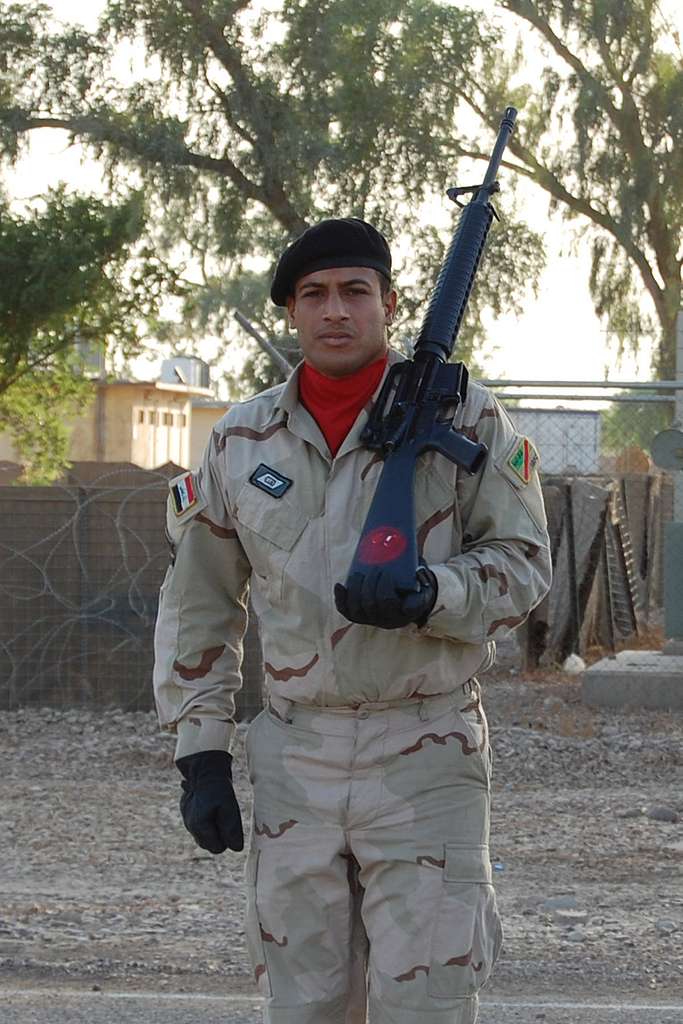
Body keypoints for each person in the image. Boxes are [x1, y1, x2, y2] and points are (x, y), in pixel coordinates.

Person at [153, 217, 552, 1024]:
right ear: (291, 314)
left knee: (427, 1002)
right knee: (304, 1003)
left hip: (426, 750)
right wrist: (200, 754)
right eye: (314, 295)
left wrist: (432, 592)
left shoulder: (465, 419)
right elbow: (198, 603)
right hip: (296, 752)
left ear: (390, 304)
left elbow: (525, 563)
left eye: (354, 292)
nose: (335, 311)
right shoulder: (239, 441)